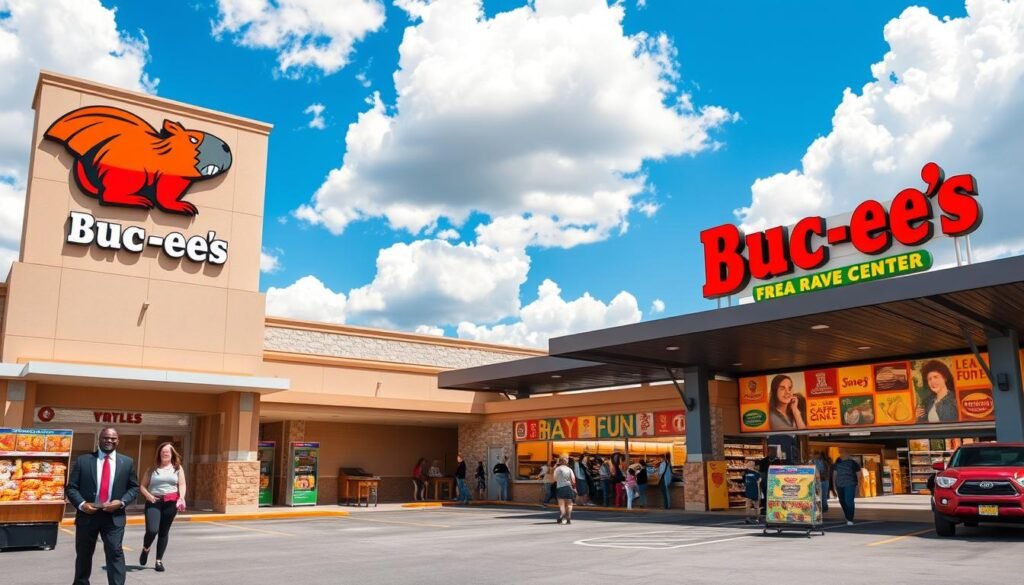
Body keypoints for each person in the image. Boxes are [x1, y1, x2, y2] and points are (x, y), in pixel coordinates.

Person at [67, 427, 140, 585]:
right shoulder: (83, 460)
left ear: (118, 441)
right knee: (84, 555)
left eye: (113, 438)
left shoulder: (127, 462)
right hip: (88, 515)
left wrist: (121, 502)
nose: (109, 441)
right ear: (99, 439)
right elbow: (71, 487)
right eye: (106, 438)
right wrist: (82, 504)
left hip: (114, 516)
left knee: (115, 552)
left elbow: (134, 488)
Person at [138, 442, 187, 572]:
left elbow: (182, 485)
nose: (165, 453)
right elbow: (142, 486)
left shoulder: (177, 468)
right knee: (152, 530)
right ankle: (146, 548)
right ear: (159, 454)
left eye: (168, 451)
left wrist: (181, 498)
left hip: (171, 503)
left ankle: (158, 561)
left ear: (172, 454)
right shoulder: (152, 469)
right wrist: (148, 496)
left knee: (163, 532)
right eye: (163, 451)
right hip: (154, 502)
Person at [833, 454, 861, 525]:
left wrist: (859, 484)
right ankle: (847, 516)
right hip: (839, 485)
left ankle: (850, 519)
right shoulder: (837, 463)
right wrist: (834, 485)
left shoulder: (853, 463)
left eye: (844, 455)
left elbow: (859, 473)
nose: (842, 456)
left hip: (850, 484)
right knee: (842, 501)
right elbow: (834, 474)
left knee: (849, 501)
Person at [553, 456, 577, 524]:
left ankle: (562, 515)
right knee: (569, 504)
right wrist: (574, 488)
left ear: (560, 462)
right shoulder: (569, 469)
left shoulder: (557, 469)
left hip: (560, 487)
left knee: (562, 504)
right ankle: (568, 518)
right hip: (568, 487)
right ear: (567, 462)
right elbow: (573, 480)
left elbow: (554, 479)